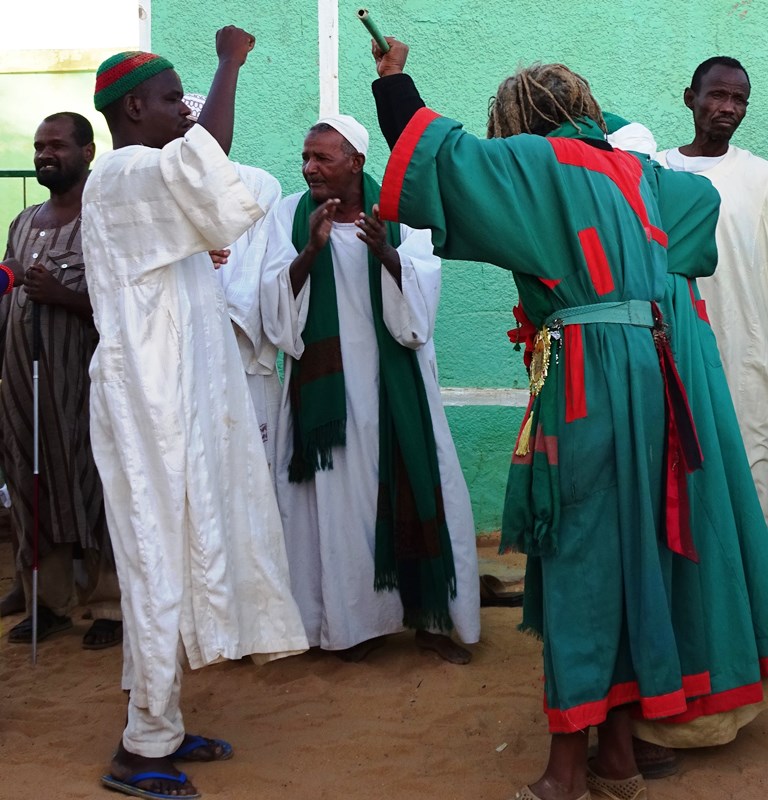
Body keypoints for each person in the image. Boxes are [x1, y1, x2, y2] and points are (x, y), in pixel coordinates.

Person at [365, 38, 731, 800]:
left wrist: (395, 82)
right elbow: (701, 206)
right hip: (651, 374)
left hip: (588, 384)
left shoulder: (538, 164)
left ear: (524, 121)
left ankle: (565, 773)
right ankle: (618, 759)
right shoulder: (638, 174)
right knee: (632, 555)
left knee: (579, 561)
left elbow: (441, 157)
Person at [83, 31, 307, 800]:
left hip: (175, 399)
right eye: (173, 96)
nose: (186, 108)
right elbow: (206, 163)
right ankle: (140, 748)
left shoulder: (147, 180)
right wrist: (231, 62)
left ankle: (165, 723)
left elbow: (211, 202)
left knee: (179, 553)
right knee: (156, 560)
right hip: (147, 404)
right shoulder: (121, 172)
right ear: (134, 108)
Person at [261, 114, 481, 665]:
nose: (310, 168)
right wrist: (310, 250)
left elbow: (420, 314)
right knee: (334, 511)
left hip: (397, 389)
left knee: (421, 488)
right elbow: (270, 307)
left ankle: (431, 620)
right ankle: (351, 625)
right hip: (324, 395)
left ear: (356, 163)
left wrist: (386, 251)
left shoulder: (404, 217)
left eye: (322, 158)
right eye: (306, 158)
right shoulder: (289, 215)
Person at [0, 112, 122, 649]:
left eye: (57, 146)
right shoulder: (24, 221)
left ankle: (110, 604)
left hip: (86, 385)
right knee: (31, 485)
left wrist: (65, 297)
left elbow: (126, 301)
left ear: (88, 152)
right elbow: (8, 277)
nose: (45, 154)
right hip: (22, 388)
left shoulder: (106, 218)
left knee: (96, 487)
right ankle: (46, 600)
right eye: (38, 146)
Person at [655, 57, 768, 518]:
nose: (728, 107)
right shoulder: (652, 172)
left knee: (750, 463)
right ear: (691, 99)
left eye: (738, 99)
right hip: (671, 343)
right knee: (677, 465)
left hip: (745, 347)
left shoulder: (760, 177)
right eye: (718, 95)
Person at [183, 92, 283, 474]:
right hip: (181, 344)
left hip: (240, 344)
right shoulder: (163, 189)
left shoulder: (258, 186)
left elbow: (260, 263)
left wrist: (226, 311)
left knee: (253, 466)